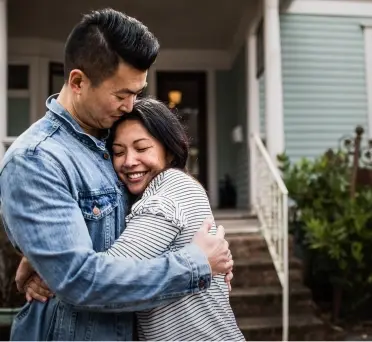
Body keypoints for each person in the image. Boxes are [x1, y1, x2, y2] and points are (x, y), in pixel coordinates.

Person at [0, 8, 233, 341]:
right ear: (78, 82)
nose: (130, 105)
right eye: (121, 95)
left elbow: (145, 220)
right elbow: (80, 280)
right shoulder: (36, 159)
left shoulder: (111, 138)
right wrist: (196, 264)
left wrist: (211, 250)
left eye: (137, 93)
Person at [24, 98, 245, 341]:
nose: (129, 161)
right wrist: (36, 256)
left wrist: (50, 271)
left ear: (169, 150)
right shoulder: (142, 196)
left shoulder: (171, 188)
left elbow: (104, 281)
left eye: (141, 148)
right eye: (118, 152)